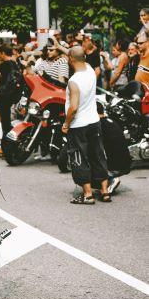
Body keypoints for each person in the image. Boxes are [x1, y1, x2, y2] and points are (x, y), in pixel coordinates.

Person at [62, 46, 110, 204]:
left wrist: (66, 123)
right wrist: (60, 47)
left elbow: (73, 107)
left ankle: (88, 194)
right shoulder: (90, 70)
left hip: (78, 125)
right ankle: (104, 191)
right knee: (98, 154)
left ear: (71, 59)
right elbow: (77, 55)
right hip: (94, 121)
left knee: (79, 157)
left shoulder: (73, 81)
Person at [0, 44, 23, 136]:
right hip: (12, 97)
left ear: (3, 53)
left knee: (6, 124)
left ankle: (7, 143)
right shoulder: (14, 63)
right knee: (8, 122)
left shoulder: (6, 64)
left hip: (5, 97)